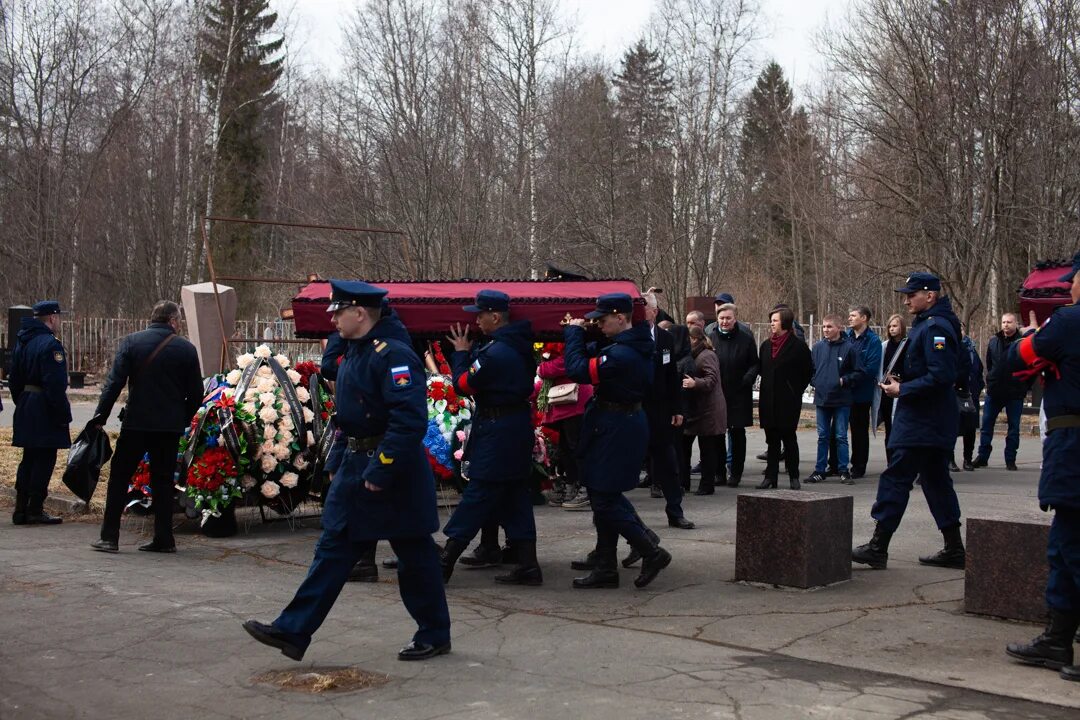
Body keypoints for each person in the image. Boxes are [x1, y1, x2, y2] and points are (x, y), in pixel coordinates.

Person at [243, 280, 451, 662]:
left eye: (339, 312)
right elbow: (340, 395)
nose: (333, 320)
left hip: (393, 472)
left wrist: (382, 469)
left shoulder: (394, 355)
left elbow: (409, 422)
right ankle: (292, 630)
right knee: (334, 548)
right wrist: (341, 463)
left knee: (416, 557)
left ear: (360, 313)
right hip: (357, 465)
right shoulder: (359, 349)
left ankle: (434, 632)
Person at [852, 272, 966, 570]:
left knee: (897, 477)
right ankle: (954, 547)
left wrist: (903, 389)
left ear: (930, 295)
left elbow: (941, 376)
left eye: (911, 294)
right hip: (930, 420)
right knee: (936, 481)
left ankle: (879, 546)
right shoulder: (931, 325)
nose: (906, 300)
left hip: (922, 420)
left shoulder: (936, 327)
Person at [1004, 250, 1080, 683]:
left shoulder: (1068, 322)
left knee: (1071, 547)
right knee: (1064, 545)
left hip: (1073, 446)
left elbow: (1021, 357)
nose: (1069, 286)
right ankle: (1058, 637)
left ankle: (1058, 636)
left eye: (1075, 279)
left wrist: (1033, 337)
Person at [562, 293, 672, 589]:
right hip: (612, 423)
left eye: (602, 319)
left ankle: (650, 550)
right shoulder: (625, 345)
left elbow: (578, 370)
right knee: (603, 493)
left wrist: (572, 332)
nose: (597, 324)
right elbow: (594, 351)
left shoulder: (623, 353)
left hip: (618, 427)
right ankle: (606, 564)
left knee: (604, 498)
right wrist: (584, 336)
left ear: (621, 318)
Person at [439, 290, 542, 586]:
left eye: (480, 314)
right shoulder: (513, 345)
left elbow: (462, 385)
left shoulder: (497, 353)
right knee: (515, 495)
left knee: (480, 492)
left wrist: (460, 353)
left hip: (499, 431)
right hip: (511, 427)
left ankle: (446, 559)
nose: (476, 320)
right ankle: (528, 565)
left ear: (495, 317)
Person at [88, 301, 203, 553]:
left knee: (119, 477)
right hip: (168, 428)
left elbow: (113, 384)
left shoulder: (131, 342)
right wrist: (182, 418)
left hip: (136, 424)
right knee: (163, 482)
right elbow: (197, 393)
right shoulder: (186, 349)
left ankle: (109, 537)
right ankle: (164, 539)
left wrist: (100, 416)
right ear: (173, 321)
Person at [9, 301, 71, 526]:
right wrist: (63, 414)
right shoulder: (50, 345)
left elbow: (14, 380)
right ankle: (35, 508)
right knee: (44, 459)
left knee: (28, 458)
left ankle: (20, 508)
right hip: (44, 407)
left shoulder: (23, 341)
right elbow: (55, 385)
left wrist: (24, 400)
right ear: (52, 318)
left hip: (26, 403)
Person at [642, 291, 693, 529]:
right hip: (635, 409)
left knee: (668, 462)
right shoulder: (627, 337)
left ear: (654, 311)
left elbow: (672, 375)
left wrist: (677, 408)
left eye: (645, 308)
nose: (641, 313)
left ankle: (675, 511)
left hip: (660, 411)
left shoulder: (665, 338)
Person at [757, 307, 813, 490]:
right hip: (768, 400)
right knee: (771, 441)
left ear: (785, 323)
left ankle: (793, 476)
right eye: (771, 320)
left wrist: (794, 390)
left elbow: (808, 371)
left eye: (775, 320)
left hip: (788, 401)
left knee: (789, 439)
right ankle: (770, 477)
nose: (772, 323)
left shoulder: (798, 346)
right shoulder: (766, 345)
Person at [706, 302, 758, 487]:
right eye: (721, 318)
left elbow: (754, 363)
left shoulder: (746, 339)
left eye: (728, 318)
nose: (724, 321)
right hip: (717, 393)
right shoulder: (710, 338)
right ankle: (719, 472)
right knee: (717, 434)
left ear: (735, 319)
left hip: (739, 393)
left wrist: (747, 379)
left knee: (737, 433)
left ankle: (735, 473)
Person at [806, 315, 863, 485]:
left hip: (841, 399)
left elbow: (859, 372)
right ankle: (819, 469)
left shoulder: (849, 348)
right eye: (824, 327)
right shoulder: (817, 348)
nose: (826, 330)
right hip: (822, 399)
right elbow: (812, 370)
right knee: (822, 436)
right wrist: (816, 382)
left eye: (829, 327)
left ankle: (843, 469)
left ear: (839, 328)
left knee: (840, 436)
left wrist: (843, 380)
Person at [973, 312, 1032, 470]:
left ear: (1016, 324)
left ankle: (1010, 459)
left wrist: (1025, 386)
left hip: (1015, 392)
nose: (1006, 325)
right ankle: (983, 456)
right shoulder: (993, 341)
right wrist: (991, 381)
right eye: (1004, 322)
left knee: (1013, 427)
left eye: (1009, 322)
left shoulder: (1023, 342)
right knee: (986, 424)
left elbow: (1030, 367)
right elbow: (989, 364)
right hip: (995, 391)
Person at [537, 345, 593, 510]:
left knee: (577, 447)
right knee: (565, 448)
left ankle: (585, 487)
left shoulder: (572, 344)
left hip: (574, 400)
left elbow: (560, 365)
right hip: (562, 401)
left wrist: (543, 367)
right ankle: (572, 484)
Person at [680, 326, 727, 495]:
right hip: (698, 410)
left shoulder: (706, 355)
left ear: (694, 340)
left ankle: (707, 485)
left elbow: (711, 379)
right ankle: (684, 482)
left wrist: (695, 383)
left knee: (707, 449)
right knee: (686, 446)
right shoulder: (695, 355)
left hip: (709, 410)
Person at [845, 306, 882, 479]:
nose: (850, 318)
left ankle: (859, 465)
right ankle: (836, 464)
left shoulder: (873, 341)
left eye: (853, 315)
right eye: (849, 316)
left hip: (861, 394)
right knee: (836, 431)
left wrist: (851, 378)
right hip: (843, 393)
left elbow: (871, 368)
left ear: (864, 318)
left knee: (859, 431)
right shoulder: (846, 338)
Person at [952, 327, 984, 473]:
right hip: (950, 392)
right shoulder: (946, 345)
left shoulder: (968, 348)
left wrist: (977, 386)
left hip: (967, 393)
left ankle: (967, 459)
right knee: (951, 428)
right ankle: (950, 459)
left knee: (969, 428)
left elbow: (975, 368)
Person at [879, 314, 908, 463]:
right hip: (887, 392)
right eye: (890, 326)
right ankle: (891, 462)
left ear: (902, 327)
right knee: (889, 430)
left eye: (895, 325)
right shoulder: (884, 346)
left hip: (903, 390)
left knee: (903, 429)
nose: (892, 329)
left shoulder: (909, 345)